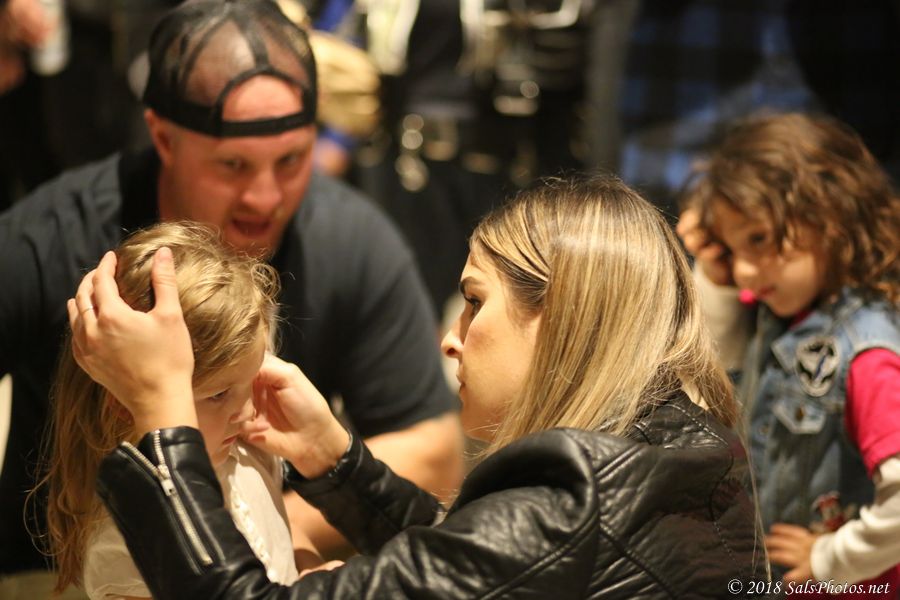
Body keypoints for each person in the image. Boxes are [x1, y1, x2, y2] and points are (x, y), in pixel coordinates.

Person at [71, 175, 763, 598]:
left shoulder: (572, 504)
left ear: (560, 319)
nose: (450, 339)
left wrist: (164, 406)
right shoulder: (690, 440)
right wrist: (337, 460)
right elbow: (474, 561)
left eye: (474, 301)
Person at [0, 0, 462, 589]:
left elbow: (434, 449)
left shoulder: (353, 239)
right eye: (233, 165)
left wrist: (268, 536)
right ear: (163, 138)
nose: (264, 197)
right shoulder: (48, 239)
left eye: (291, 160)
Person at [678, 113, 900, 595]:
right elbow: (716, 375)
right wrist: (713, 274)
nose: (745, 272)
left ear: (830, 213)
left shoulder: (866, 349)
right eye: (732, 250)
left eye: (758, 239)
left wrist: (832, 558)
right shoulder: (787, 313)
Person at [43, 222, 320, 598]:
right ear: (124, 403)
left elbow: (284, 534)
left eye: (253, 379)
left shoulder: (245, 454)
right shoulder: (131, 541)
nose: (249, 413)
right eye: (219, 394)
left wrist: (312, 571)